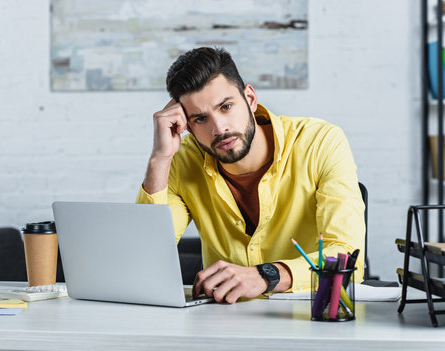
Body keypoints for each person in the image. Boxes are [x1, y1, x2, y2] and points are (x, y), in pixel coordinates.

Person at [136, 47, 365, 304]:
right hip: (223, 322)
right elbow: (142, 257)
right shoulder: (183, 160)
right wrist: (160, 158)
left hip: (310, 317)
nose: (219, 128)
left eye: (226, 106)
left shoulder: (320, 142)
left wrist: (266, 276)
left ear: (250, 98)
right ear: (187, 126)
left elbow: (346, 256)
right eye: (201, 119)